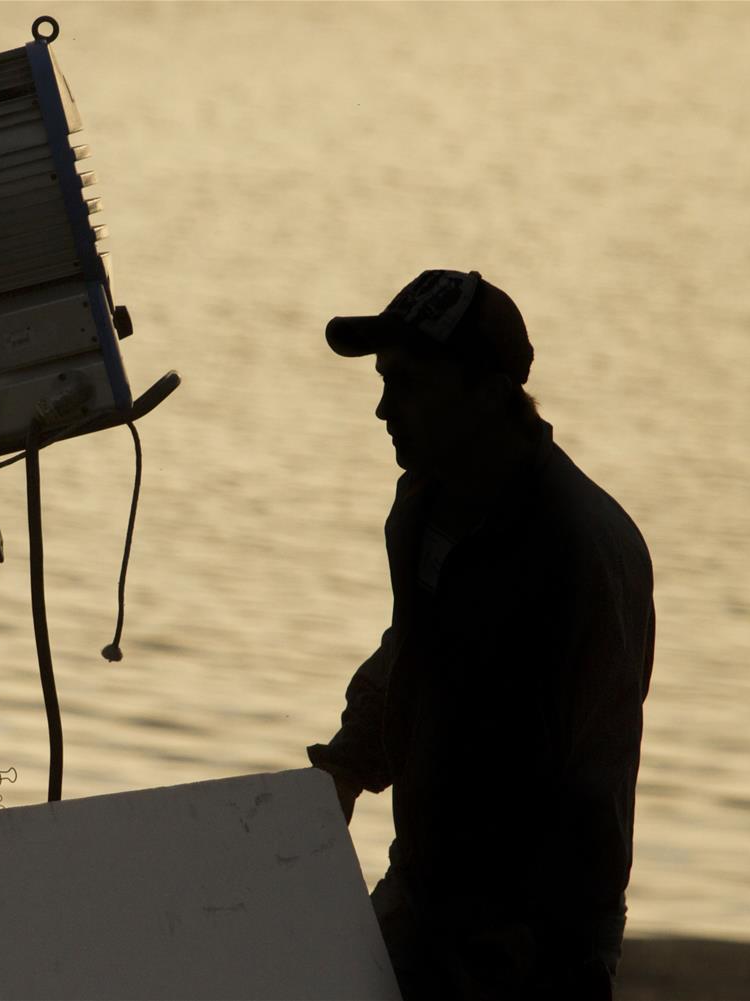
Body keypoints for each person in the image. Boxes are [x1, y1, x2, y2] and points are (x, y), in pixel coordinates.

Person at [308, 270, 655, 1000]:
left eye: (407, 384)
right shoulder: (427, 500)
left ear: (491, 396)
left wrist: (503, 941)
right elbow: (412, 646)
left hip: (533, 933)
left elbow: (538, 767)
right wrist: (344, 765)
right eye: (381, 381)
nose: (381, 408)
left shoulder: (574, 553)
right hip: (430, 886)